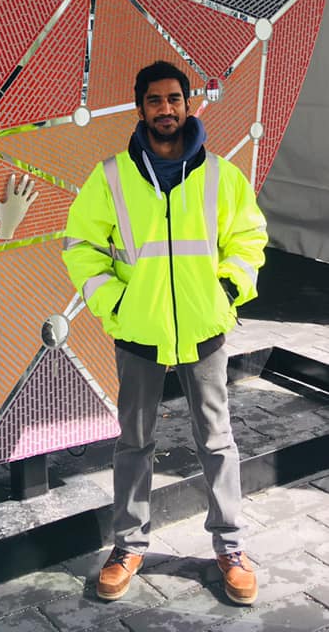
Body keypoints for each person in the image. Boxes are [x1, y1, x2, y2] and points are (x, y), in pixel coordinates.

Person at [62, 60, 267, 606]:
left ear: (187, 104)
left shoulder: (221, 175)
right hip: (139, 330)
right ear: (140, 109)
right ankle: (128, 546)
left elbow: (249, 237)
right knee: (133, 442)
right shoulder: (111, 177)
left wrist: (227, 290)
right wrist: (116, 303)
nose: (166, 108)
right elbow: (80, 246)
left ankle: (231, 547)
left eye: (174, 98)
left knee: (217, 439)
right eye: (154, 100)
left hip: (204, 327)